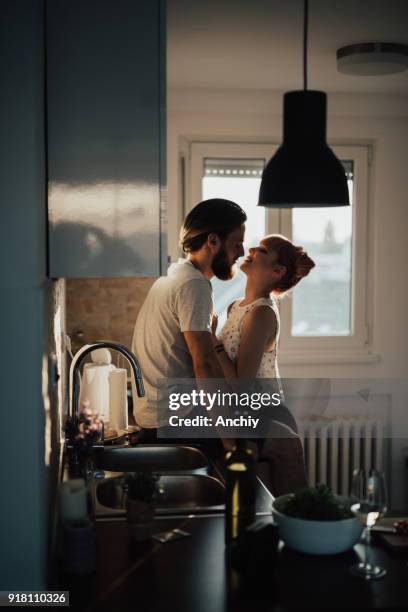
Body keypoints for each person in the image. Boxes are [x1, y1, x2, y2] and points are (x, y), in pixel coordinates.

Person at [131, 198, 247, 445]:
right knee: (275, 442)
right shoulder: (194, 284)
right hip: (177, 421)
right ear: (213, 241)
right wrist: (229, 441)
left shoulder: (174, 273)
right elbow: (204, 366)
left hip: (155, 417)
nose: (242, 253)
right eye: (237, 244)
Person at [211, 234, 316, 495]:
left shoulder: (262, 314)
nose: (252, 249)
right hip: (244, 413)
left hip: (265, 413)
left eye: (262, 249)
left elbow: (240, 387)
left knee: (279, 506)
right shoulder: (236, 306)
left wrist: (212, 343)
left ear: (277, 271)